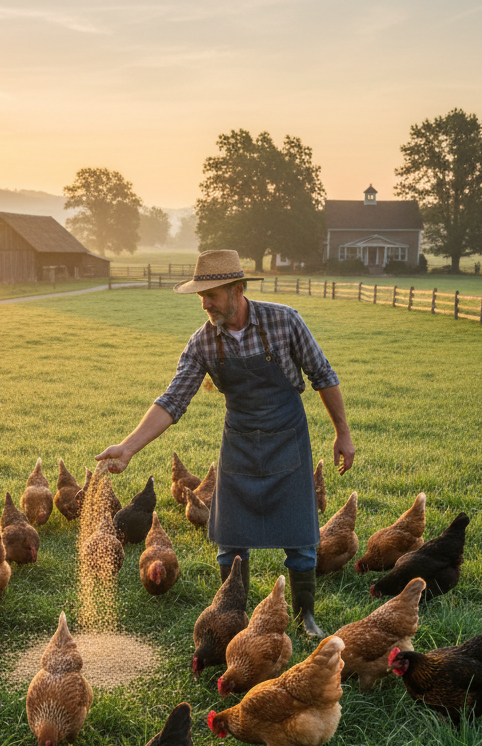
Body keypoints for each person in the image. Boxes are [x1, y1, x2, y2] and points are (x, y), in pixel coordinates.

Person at [96, 250, 355, 638]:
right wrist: (129, 446)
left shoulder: (284, 321)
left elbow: (323, 374)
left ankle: (305, 618)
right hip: (239, 443)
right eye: (201, 296)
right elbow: (173, 400)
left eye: (212, 294)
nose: (205, 304)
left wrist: (343, 433)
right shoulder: (202, 342)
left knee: (301, 536)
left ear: (237, 289)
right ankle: (232, 616)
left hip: (288, 438)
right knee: (231, 539)